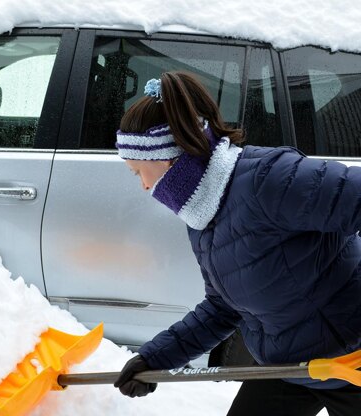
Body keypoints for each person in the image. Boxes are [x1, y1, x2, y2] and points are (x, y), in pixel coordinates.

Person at [113, 71, 361, 415]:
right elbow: (223, 307)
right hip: (289, 366)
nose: (141, 185)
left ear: (169, 158)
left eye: (138, 171)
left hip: (353, 361)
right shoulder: (202, 216)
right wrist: (156, 358)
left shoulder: (269, 179)